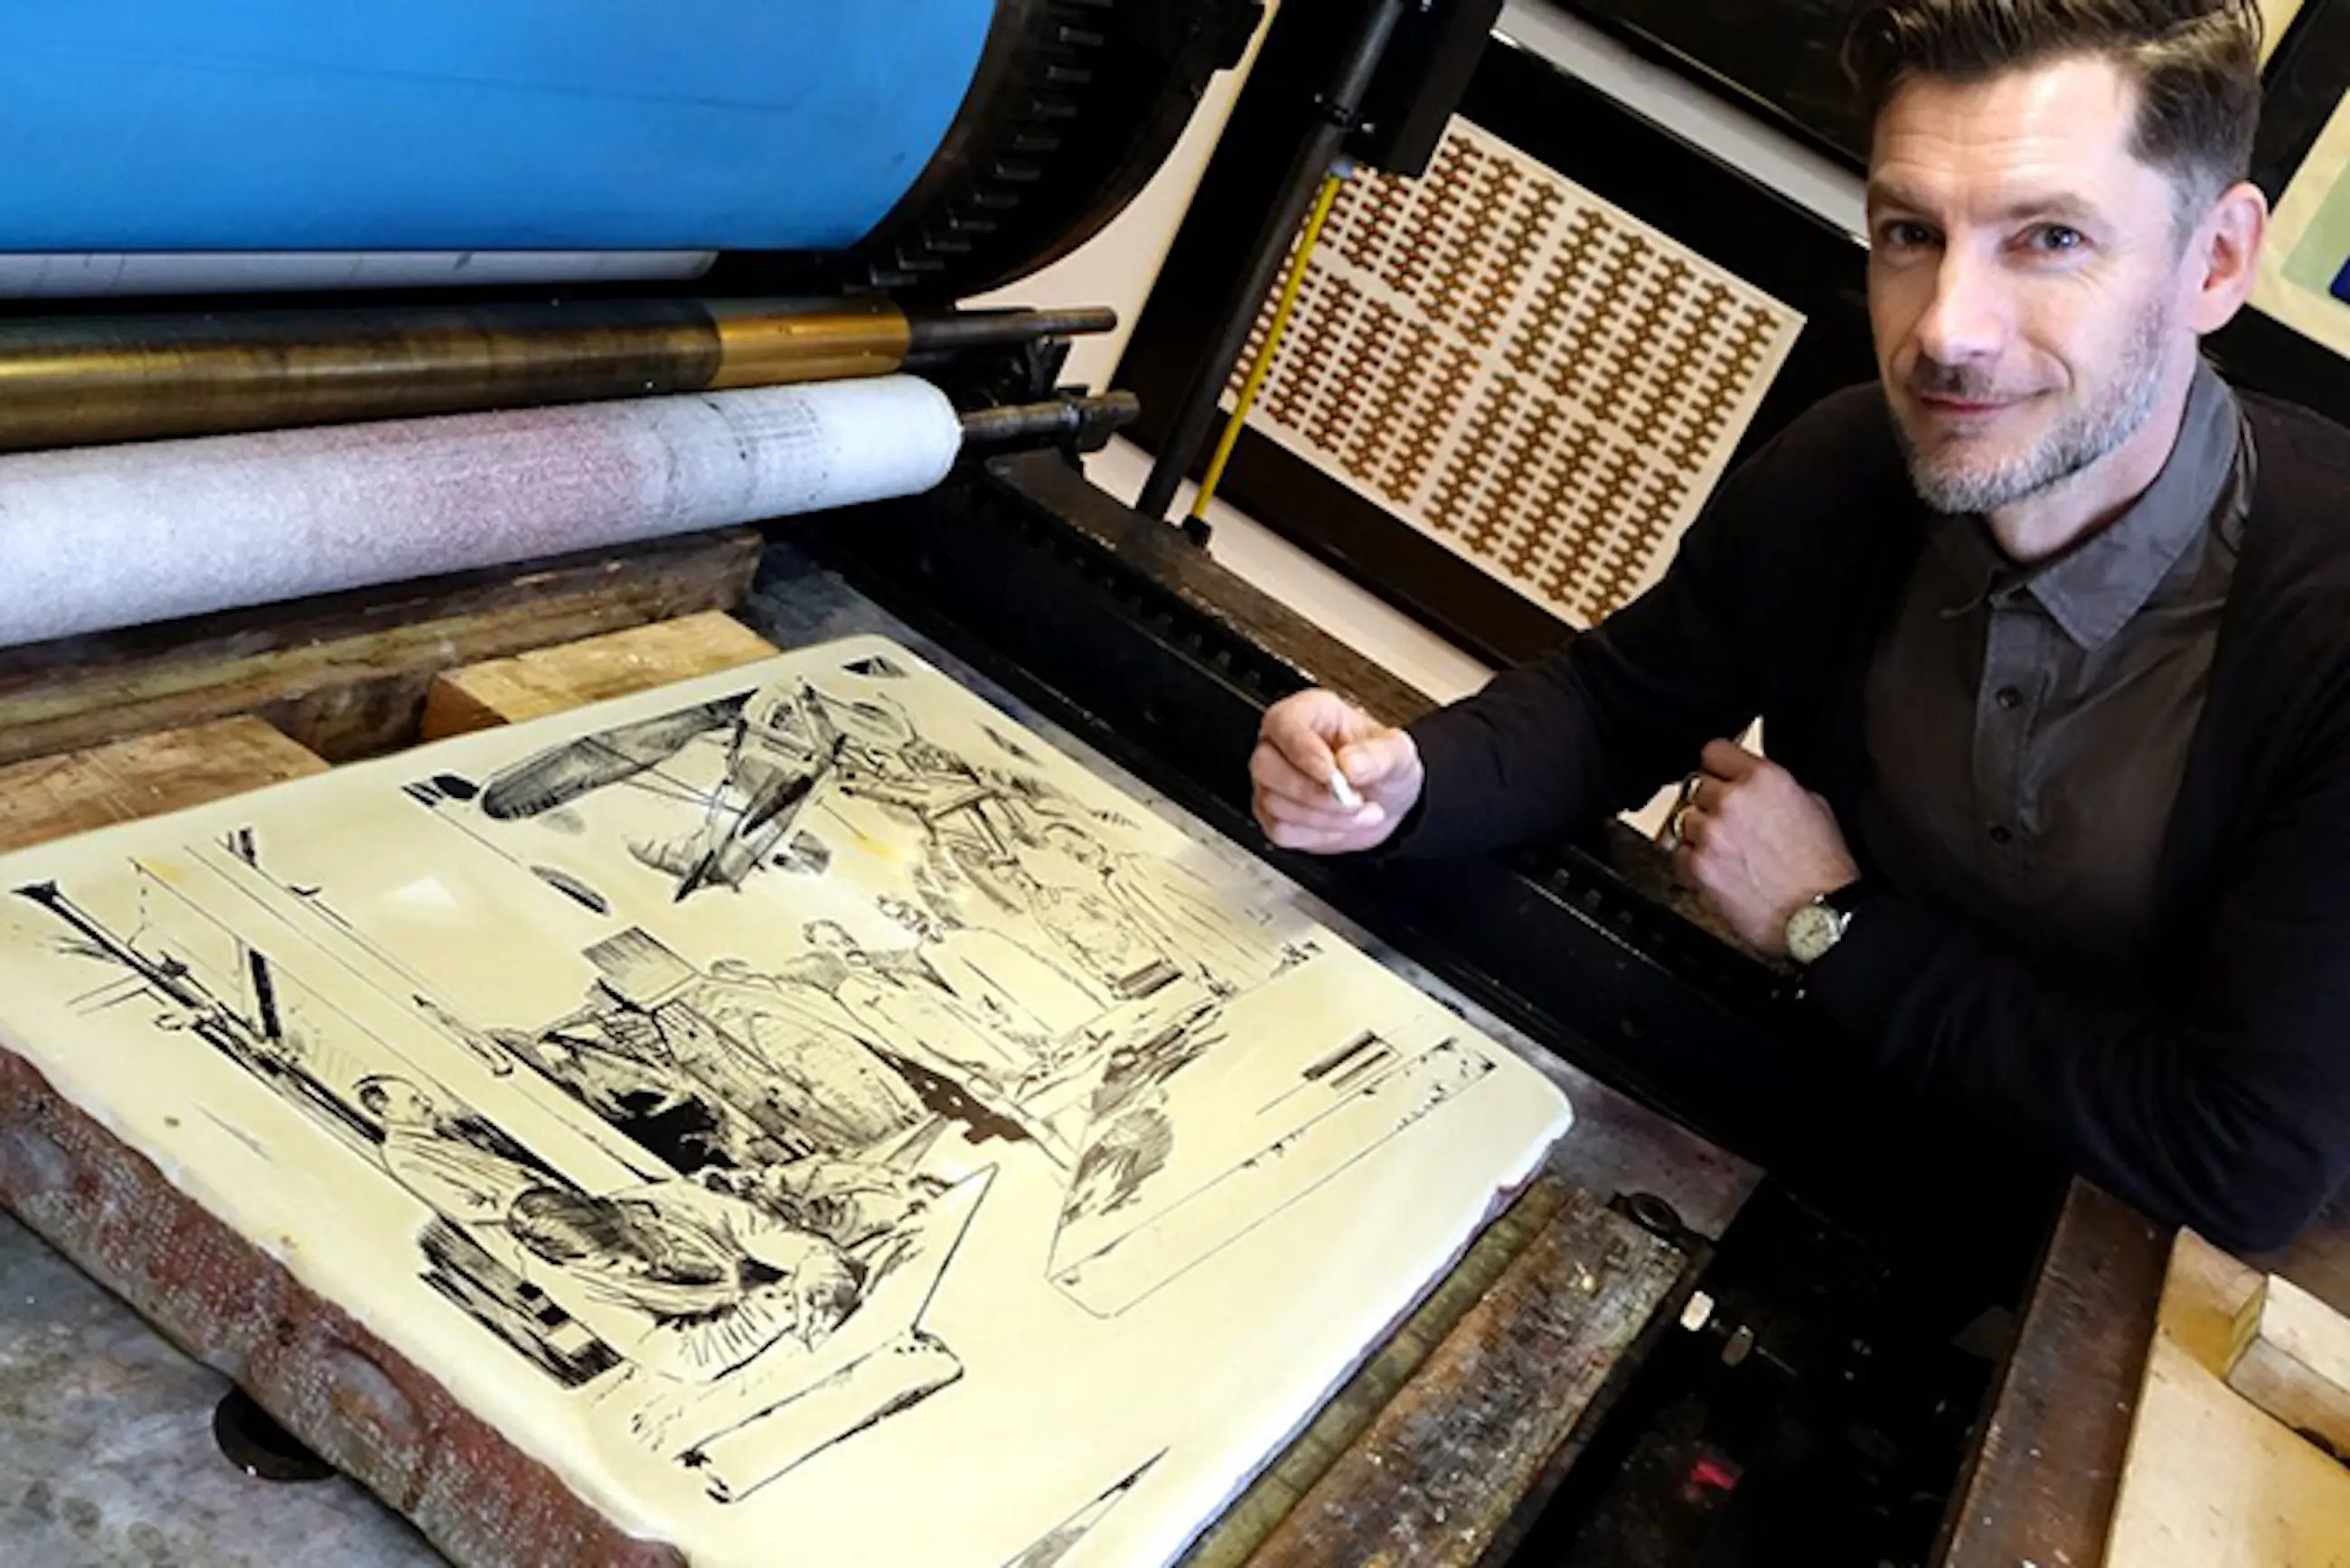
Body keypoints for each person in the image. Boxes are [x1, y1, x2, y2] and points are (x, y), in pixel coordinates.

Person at [1250, 0, 2350, 1254]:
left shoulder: (2325, 627)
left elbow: (2243, 1156)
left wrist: (1828, 921)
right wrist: (1405, 782)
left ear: (2215, 262)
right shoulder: (1846, 470)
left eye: (2049, 239)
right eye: (1910, 234)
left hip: (2121, 1270)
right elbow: (1617, 704)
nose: (1946, 329)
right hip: (1832, 1136)